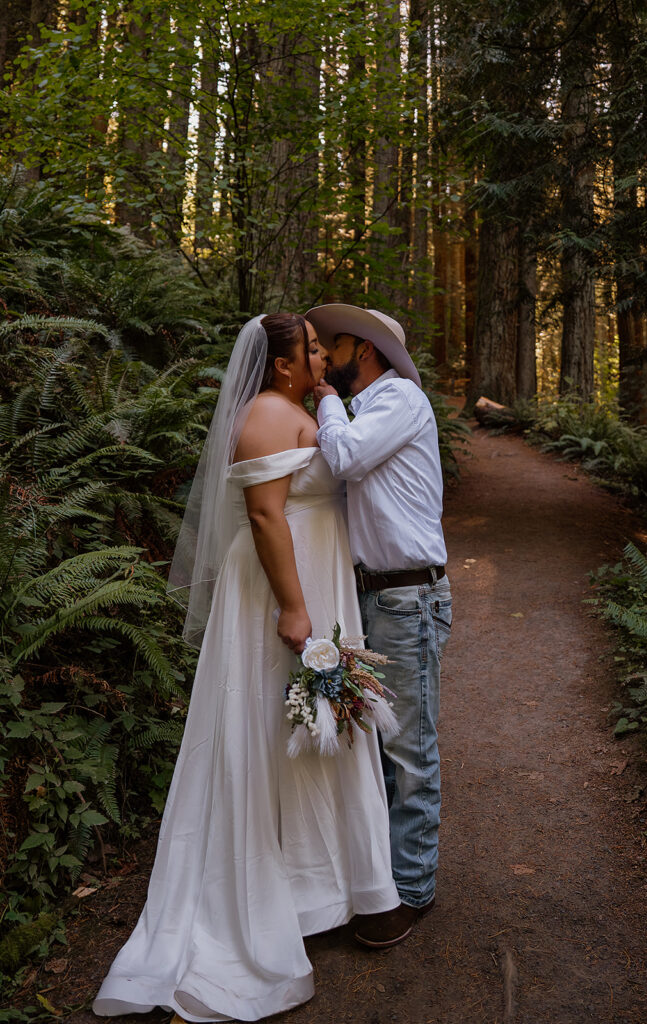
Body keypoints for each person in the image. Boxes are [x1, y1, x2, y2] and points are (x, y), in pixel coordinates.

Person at [93, 313, 399, 1023]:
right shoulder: (266, 413)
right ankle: (260, 899)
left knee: (306, 730)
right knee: (267, 726)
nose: (323, 358)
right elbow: (265, 516)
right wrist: (294, 610)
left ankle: (315, 889)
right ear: (283, 365)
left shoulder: (295, 407)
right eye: (312, 350)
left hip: (313, 579)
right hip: (280, 588)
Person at [307, 303, 452, 950]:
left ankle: (411, 892)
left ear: (361, 351)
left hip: (406, 600)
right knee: (377, 745)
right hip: (368, 599)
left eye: (332, 349)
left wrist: (320, 400)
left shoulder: (399, 399)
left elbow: (343, 460)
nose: (326, 360)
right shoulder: (366, 408)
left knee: (409, 750)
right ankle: (379, 880)